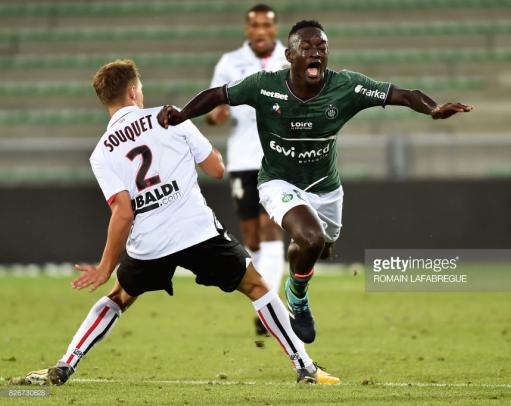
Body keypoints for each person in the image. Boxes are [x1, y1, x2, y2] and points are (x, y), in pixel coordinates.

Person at [14, 59, 339, 386]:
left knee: (118, 297)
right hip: (196, 231)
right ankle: (305, 367)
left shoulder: (101, 153)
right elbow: (215, 169)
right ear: (132, 91)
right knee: (256, 286)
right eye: (139, 87)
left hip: (149, 243)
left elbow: (123, 212)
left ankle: (66, 364)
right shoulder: (168, 117)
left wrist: (105, 265)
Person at [157, 20, 473, 344]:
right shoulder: (264, 86)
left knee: (319, 246)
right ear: (289, 55)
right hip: (278, 183)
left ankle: (299, 274)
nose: (315, 54)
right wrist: (182, 114)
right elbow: (218, 94)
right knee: (310, 238)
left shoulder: (346, 86)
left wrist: (433, 109)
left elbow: (403, 95)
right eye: (306, 48)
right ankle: (298, 298)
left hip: (326, 189)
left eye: (321, 48)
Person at [207, 4, 288, 336]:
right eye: (254, 25)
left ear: (275, 28)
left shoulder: (290, 58)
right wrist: (217, 115)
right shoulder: (230, 62)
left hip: (279, 158)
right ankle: (266, 300)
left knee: (271, 230)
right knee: (252, 238)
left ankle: (267, 308)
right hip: (242, 159)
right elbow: (211, 110)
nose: (260, 31)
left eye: (266, 25)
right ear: (247, 29)